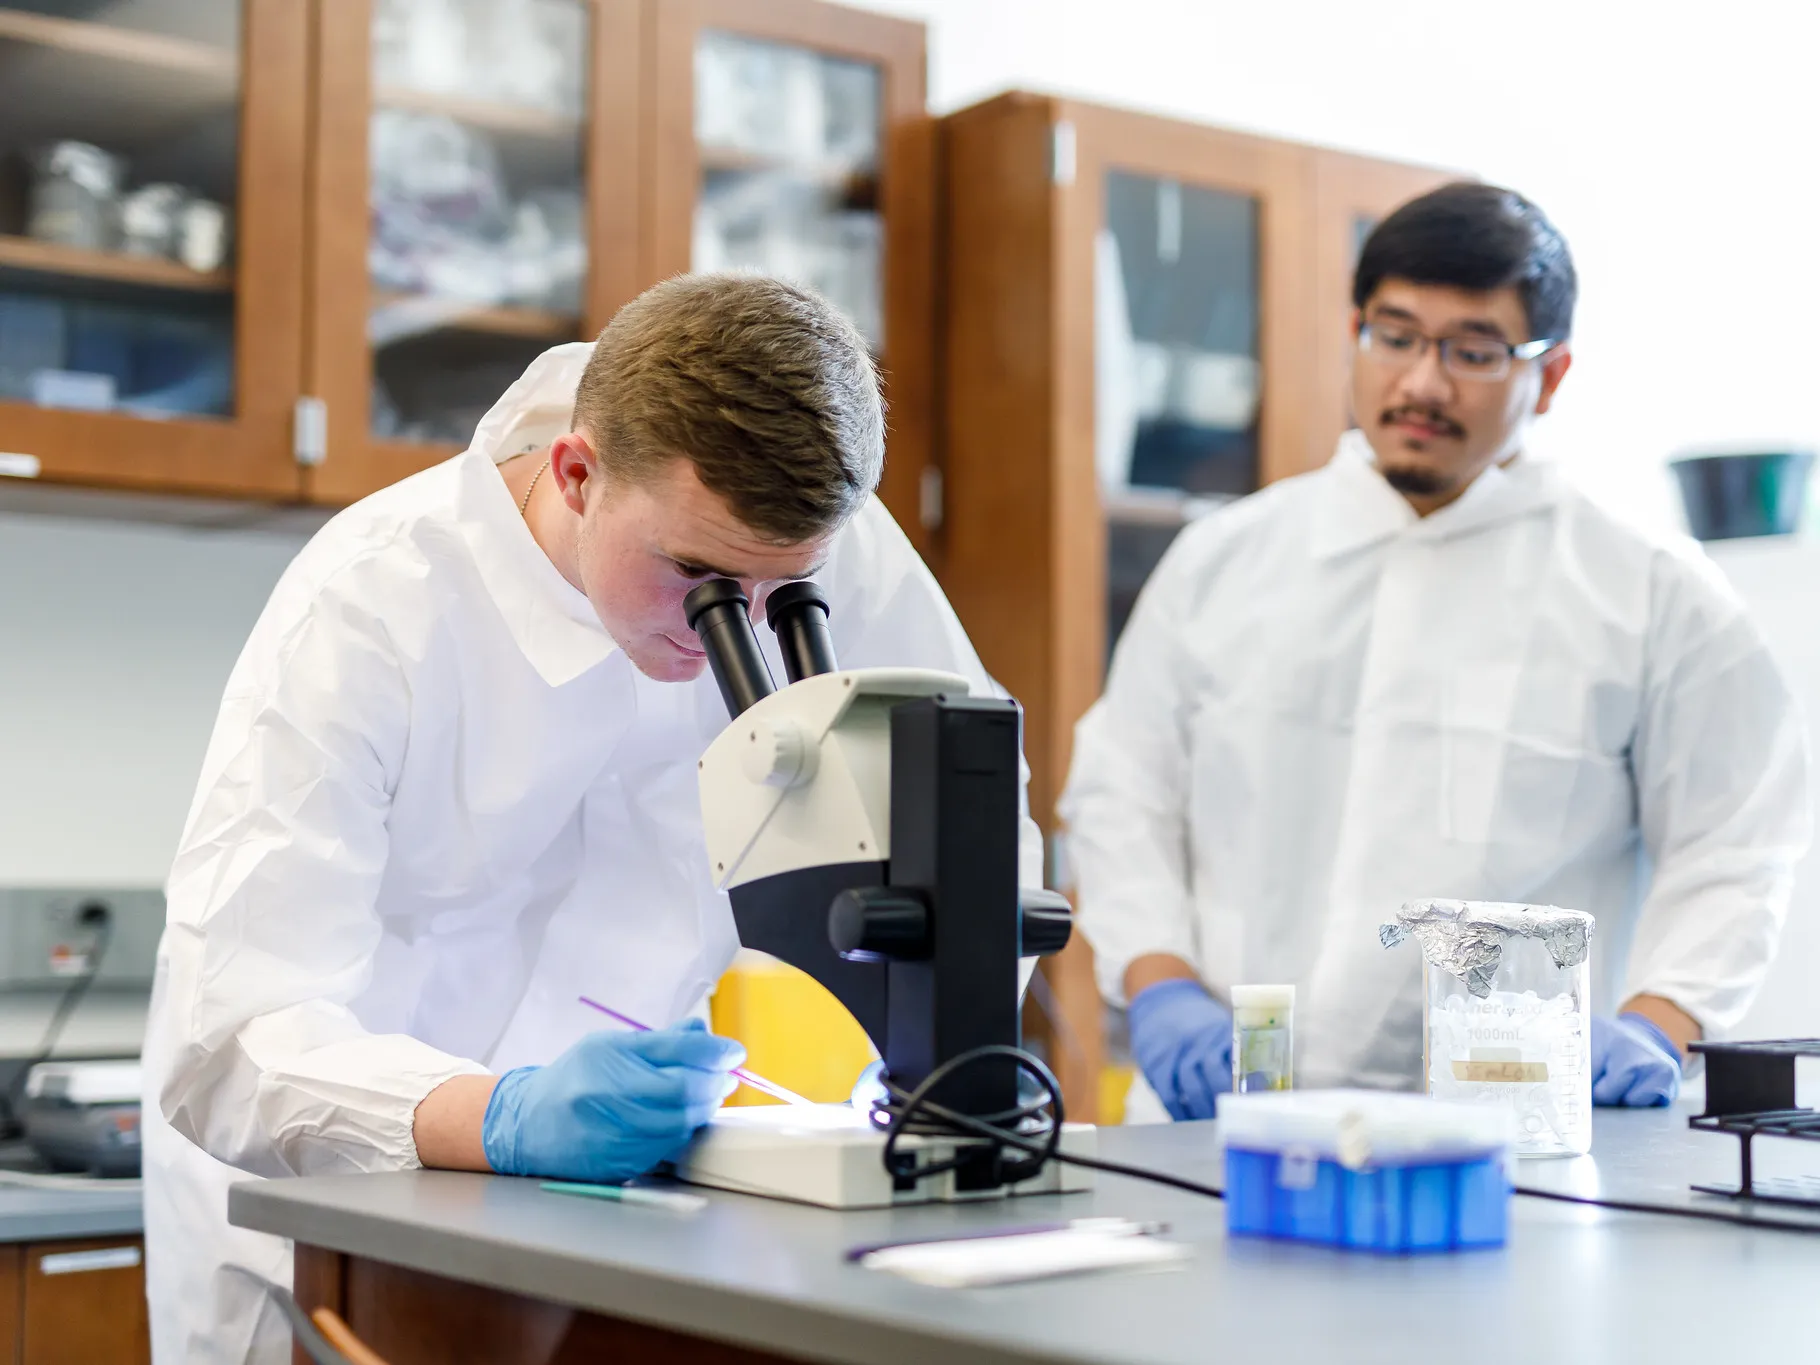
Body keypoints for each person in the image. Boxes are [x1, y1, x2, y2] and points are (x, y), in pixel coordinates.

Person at [142, 274, 1042, 1364]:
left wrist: (925, 1061)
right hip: (340, 1205)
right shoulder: (370, 603)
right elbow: (229, 1040)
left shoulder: (818, 539)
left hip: (614, 1216)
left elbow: (977, 813)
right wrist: (501, 1116)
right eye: (698, 580)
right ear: (576, 474)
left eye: (784, 593)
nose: (742, 627)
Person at [1061, 183, 1811, 1121]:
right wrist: (1160, 982)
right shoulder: (1226, 559)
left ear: (1553, 373)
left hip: (1507, 1140)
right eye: (1397, 334)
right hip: (1225, 1118)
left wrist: (1660, 1020)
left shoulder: (1650, 588)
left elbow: (1736, 840)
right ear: (1355, 330)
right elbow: (1124, 792)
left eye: (1473, 350)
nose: (1422, 382)